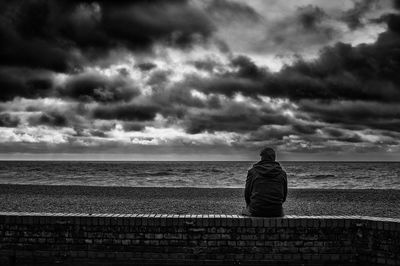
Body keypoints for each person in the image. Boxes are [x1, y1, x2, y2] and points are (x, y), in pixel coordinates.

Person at [242, 147, 287, 217]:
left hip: (256, 211)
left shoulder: (253, 171)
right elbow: (284, 195)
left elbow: (247, 193)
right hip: (276, 212)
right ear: (274, 158)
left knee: (244, 211)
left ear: (262, 157)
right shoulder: (282, 173)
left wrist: (249, 205)